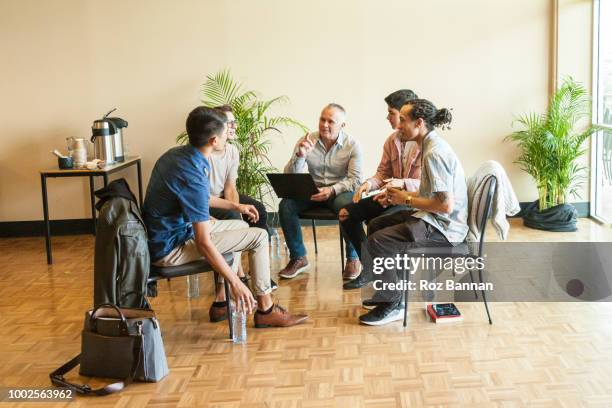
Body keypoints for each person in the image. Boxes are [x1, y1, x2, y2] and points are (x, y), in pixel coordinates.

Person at [143, 106, 308, 328]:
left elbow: (200, 198)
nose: (226, 138)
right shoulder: (193, 171)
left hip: (171, 235)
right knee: (258, 236)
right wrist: (236, 283)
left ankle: (221, 303)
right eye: (224, 134)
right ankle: (265, 309)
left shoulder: (176, 156)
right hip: (172, 248)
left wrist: (236, 206)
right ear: (213, 140)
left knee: (238, 226)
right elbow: (203, 243)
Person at [358, 99, 468, 326]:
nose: (398, 125)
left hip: (445, 230)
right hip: (434, 219)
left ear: (419, 123)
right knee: (377, 225)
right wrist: (398, 195)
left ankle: (393, 304)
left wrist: (406, 199)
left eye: (403, 121)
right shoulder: (430, 145)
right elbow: (433, 194)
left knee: (379, 241)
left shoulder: (433, 153)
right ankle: (391, 294)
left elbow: (445, 205)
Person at [339, 89, 421, 288]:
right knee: (345, 214)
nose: (388, 117)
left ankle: (386, 277)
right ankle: (370, 268)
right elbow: (382, 173)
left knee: (378, 223)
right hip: (390, 196)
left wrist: (402, 184)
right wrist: (367, 184)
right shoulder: (391, 141)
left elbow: (426, 186)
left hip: (412, 202)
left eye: (391, 113)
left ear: (405, 114)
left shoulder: (424, 144)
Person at [278, 103, 363, 279]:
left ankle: (353, 258)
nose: (324, 125)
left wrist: (332, 190)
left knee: (349, 207)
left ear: (342, 126)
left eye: (330, 121)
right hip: (312, 190)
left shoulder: (352, 145)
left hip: (339, 191)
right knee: (286, 205)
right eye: (322, 119)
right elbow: (290, 175)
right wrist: (300, 156)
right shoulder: (308, 140)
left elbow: (355, 180)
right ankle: (298, 257)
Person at [208, 105, 277, 292]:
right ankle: (238, 276)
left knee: (258, 209)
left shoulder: (231, 151)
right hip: (206, 202)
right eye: (229, 123)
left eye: (234, 122)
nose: (234, 126)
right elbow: (201, 197)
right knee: (233, 217)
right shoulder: (205, 152)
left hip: (223, 196)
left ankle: (258, 272)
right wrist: (235, 212)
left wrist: (239, 207)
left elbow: (230, 187)